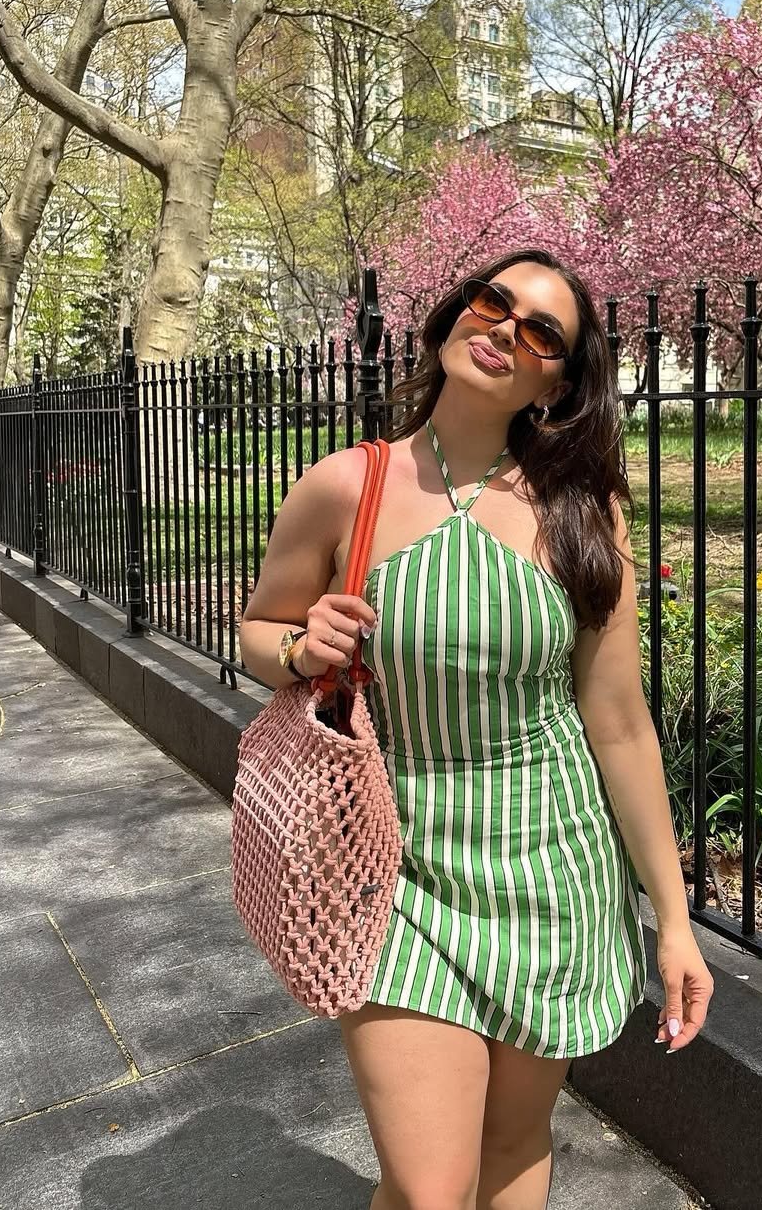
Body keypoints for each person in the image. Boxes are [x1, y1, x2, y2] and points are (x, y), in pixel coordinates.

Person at [239, 250, 713, 1210]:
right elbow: (259, 630)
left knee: (509, 1147)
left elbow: (618, 722)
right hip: (388, 862)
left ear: (556, 386)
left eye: (542, 333)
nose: (506, 331)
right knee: (427, 1186)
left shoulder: (581, 512)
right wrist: (299, 649)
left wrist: (673, 921)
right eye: (495, 303)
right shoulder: (347, 484)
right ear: (456, 313)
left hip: (551, 869)